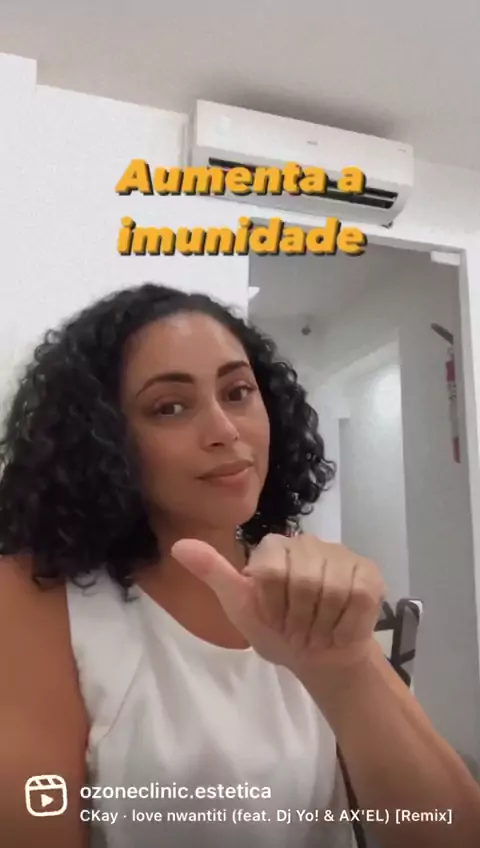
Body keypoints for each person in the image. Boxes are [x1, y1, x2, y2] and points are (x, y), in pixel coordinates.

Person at [0, 283, 479, 848]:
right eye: (169, 407)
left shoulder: (297, 582)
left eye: (238, 392)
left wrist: (345, 668)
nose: (225, 430)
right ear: (101, 438)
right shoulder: (37, 594)